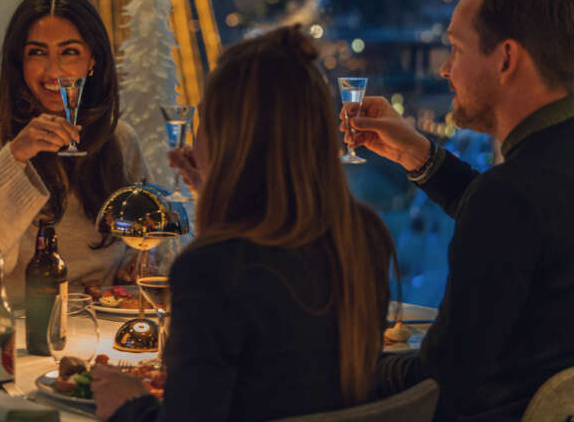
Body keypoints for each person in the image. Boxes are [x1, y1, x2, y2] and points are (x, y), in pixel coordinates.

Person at [92, 26, 397, 422]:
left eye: (203, 124)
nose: (194, 142)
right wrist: (219, 197)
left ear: (230, 142)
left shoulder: (212, 271)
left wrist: (130, 405)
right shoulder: (361, 237)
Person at [342, 0, 574, 421]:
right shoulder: (543, 176)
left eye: (455, 48)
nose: (445, 70)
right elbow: (528, 221)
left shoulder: (512, 195)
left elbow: (437, 382)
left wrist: (341, 370)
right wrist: (419, 156)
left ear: (507, 58)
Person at [0, 0, 149, 302]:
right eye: (37, 53)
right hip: (2, 329)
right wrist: (14, 158)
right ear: (20, 62)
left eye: (69, 52)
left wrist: (136, 261)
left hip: (98, 328)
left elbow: (143, 236)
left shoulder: (119, 140)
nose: (53, 71)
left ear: (92, 61)